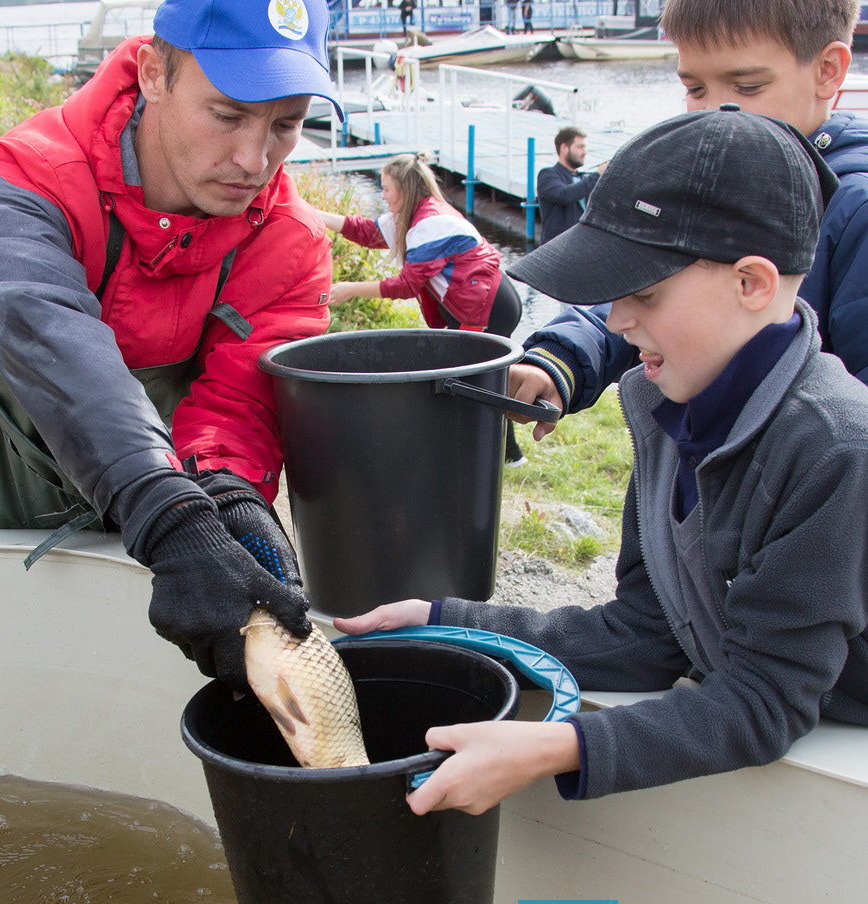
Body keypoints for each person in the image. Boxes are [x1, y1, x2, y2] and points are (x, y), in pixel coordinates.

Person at [336, 107, 868, 815]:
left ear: (752, 283)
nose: (616, 321)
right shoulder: (658, 402)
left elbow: (768, 701)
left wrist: (561, 747)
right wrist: (442, 618)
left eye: (643, 293)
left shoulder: (835, 448)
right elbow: (648, 631)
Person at [0, 0, 344, 690]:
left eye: (286, 126)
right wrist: (165, 512)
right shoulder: (22, 182)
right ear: (151, 73)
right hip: (21, 499)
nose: (253, 160)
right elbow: (55, 349)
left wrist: (229, 496)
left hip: (188, 519)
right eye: (228, 115)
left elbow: (239, 403)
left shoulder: (290, 239)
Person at [508, 0, 868, 437]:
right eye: (695, 89)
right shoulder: (698, 169)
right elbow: (642, 284)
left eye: (748, 86)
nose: (716, 111)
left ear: (828, 69)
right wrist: (564, 356)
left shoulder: (855, 210)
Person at [315, 151, 528, 465]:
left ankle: (490, 455)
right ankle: (504, 455)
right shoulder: (411, 216)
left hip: (488, 305)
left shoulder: (430, 224)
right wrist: (311, 214)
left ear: (405, 189)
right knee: (484, 380)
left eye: (386, 188)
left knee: (478, 382)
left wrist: (349, 290)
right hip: (477, 302)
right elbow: (364, 231)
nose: (383, 195)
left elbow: (406, 285)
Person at [536, 126, 608, 244]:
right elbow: (564, 195)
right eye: (580, 147)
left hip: (582, 246)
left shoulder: (583, 178)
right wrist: (597, 175)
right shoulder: (548, 174)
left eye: (584, 147)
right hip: (556, 249)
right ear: (564, 148)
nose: (584, 152)